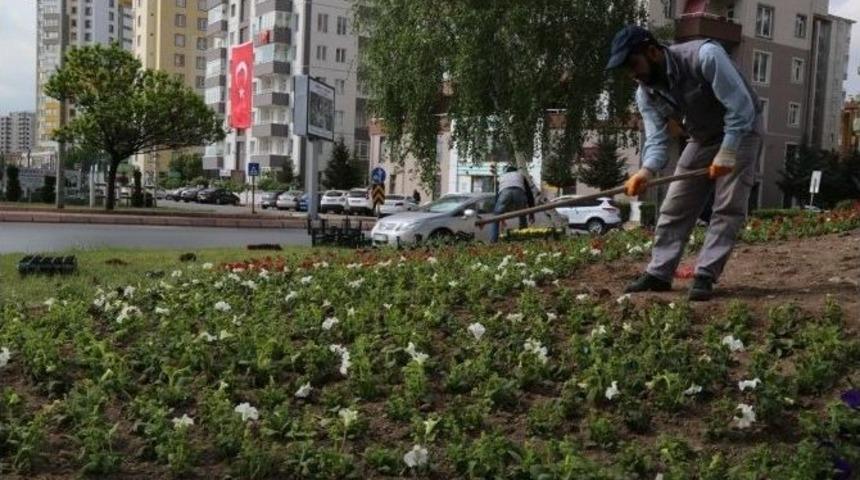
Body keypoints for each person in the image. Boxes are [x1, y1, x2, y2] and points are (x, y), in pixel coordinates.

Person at [605, 25, 763, 301]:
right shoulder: (646, 93)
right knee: (675, 205)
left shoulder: (706, 57)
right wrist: (646, 171)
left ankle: (705, 275)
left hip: (743, 130)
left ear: (652, 52)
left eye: (633, 64)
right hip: (702, 137)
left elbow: (741, 107)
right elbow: (657, 139)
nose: (632, 74)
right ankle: (659, 273)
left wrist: (728, 150)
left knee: (727, 206)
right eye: (626, 69)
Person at [490, 165, 535, 243]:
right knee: (522, 216)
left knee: (495, 218)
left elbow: (497, 196)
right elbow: (529, 194)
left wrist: (499, 214)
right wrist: (531, 214)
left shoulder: (502, 177)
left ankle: (493, 241)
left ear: (507, 172)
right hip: (519, 192)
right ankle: (523, 239)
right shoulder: (520, 176)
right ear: (516, 171)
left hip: (505, 193)